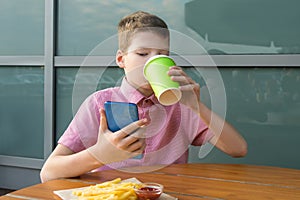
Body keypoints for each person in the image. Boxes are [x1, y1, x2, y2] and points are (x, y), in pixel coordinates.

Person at [40, 11, 247, 182]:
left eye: (162, 54)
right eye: (142, 54)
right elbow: (48, 173)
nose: (153, 61)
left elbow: (238, 149)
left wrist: (197, 107)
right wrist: (100, 154)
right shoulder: (99, 103)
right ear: (121, 59)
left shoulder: (181, 105)